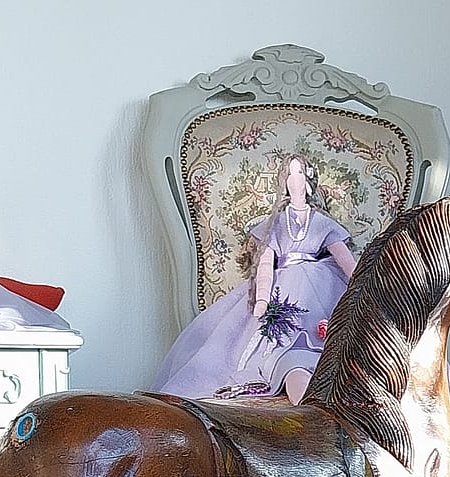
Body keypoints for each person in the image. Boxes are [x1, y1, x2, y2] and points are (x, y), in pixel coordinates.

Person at [151, 154, 356, 405]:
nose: (295, 179)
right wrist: (261, 300)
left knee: (326, 343)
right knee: (279, 351)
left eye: (300, 173)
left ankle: (325, 382)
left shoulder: (322, 223)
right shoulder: (276, 223)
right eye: (290, 174)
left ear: (309, 181)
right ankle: (305, 399)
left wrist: (364, 284)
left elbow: (347, 262)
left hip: (322, 288)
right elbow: (265, 264)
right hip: (281, 289)